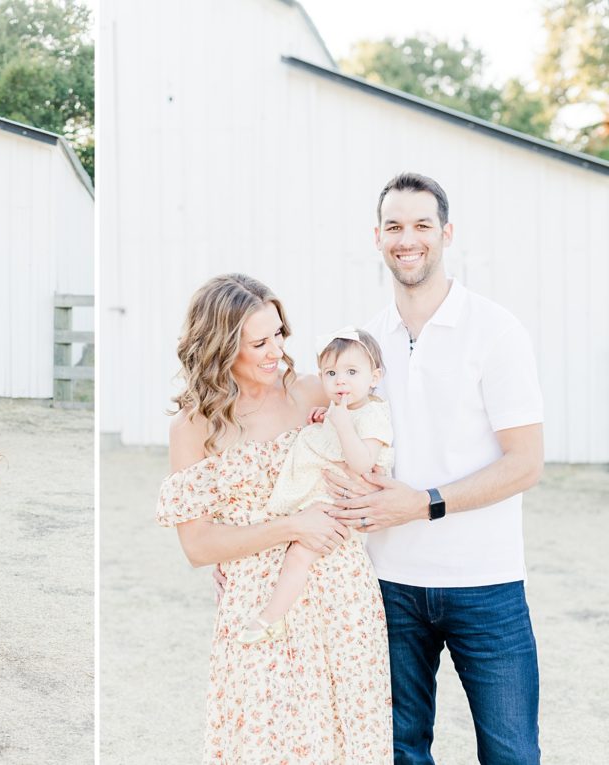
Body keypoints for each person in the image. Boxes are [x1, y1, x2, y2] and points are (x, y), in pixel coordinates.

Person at [323, 172, 544, 764]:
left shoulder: (496, 331)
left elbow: (526, 464)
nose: (407, 239)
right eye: (394, 226)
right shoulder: (364, 344)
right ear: (377, 238)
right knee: (398, 751)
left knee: (512, 754)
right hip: (388, 584)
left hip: (486, 585)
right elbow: (315, 437)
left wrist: (426, 502)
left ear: (446, 234)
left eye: (421, 225)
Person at [156, 274, 391, 764]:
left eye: (279, 335)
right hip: (260, 604)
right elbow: (197, 547)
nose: (275, 351)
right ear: (221, 347)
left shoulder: (313, 392)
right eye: (258, 342)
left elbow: (371, 460)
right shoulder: (194, 426)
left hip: (341, 590)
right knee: (271, 743)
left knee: (349, 737)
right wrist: (290, 527)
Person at [237, 327, 394, 644]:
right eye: (331, 373)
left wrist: (341, 423)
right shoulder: (344, 410)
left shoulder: (374, 415)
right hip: (320, 497)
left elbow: (362, 462)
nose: (340, 381)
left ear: (374, 376)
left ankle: (271, 617)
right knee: (282, 549)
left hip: (341, 506)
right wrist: (330, 418)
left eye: (352, 372)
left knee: (298, 555)